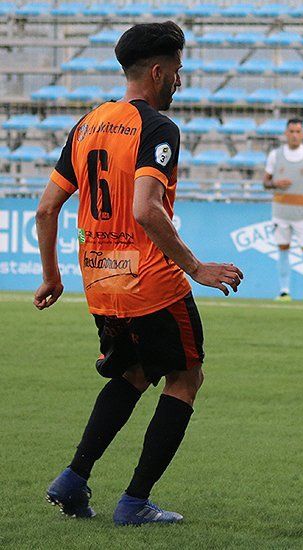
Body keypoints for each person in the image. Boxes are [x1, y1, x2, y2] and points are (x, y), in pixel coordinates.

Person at [34, 21, 243, 526]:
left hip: (101, 284)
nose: (180, 81)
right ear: (157, 72)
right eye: (177, 71)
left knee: (132, 373)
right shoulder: (157, 128)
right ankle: (134, 501)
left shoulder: (87, 124)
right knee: (185, 378)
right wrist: (196, 268)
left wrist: (52, 277)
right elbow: (146, 208)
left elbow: (45, 209)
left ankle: (73, 479)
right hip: (152, 284)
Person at [262, 118, 303, 303]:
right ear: (286, 133)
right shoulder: (276, 155)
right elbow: (265, 182)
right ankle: (284, 291)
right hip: (281, 213)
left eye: (298, 131)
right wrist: (274, 183)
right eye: (292, 131)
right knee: (283, 249)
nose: (295, 135)